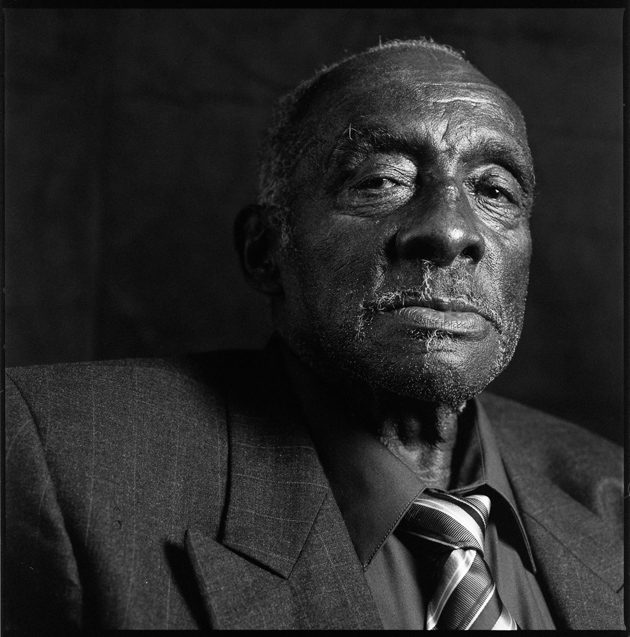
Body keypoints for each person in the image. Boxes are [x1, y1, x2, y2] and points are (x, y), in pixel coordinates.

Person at [5, 38, 623, 631]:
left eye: (494, 190)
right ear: (265, 251)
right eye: (381, 180)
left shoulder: (612, 494)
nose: (450, 231)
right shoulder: (63, 463)